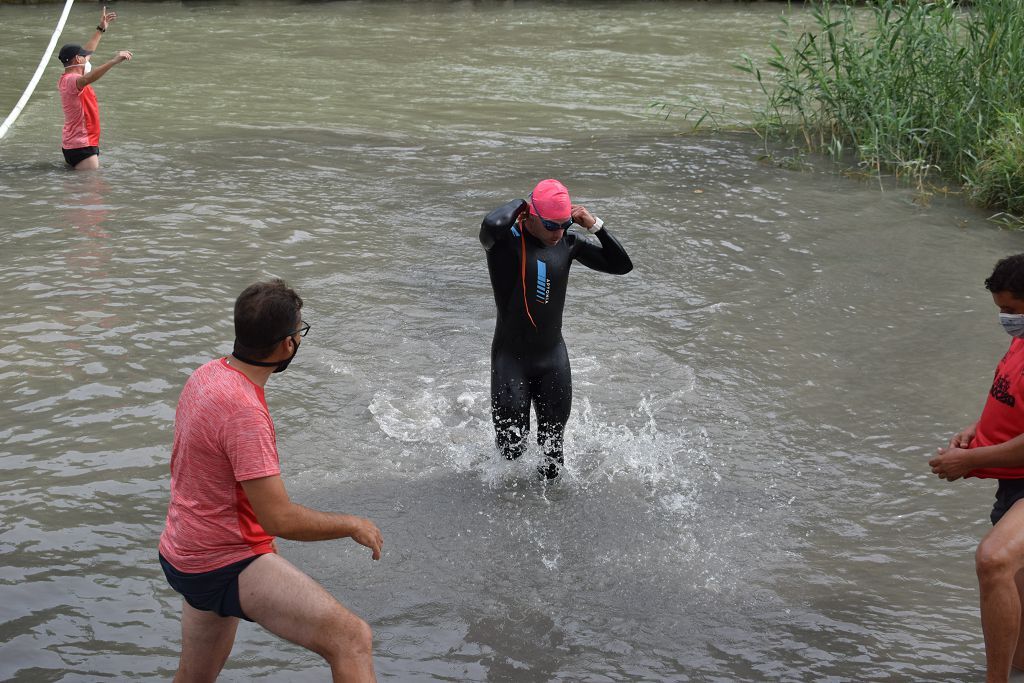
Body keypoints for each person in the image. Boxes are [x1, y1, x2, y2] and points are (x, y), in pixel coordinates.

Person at [158, 279, 383, 683]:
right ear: (287, 346)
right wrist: (353, 524)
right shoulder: (244, 412)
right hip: (225, 561)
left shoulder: (206, 375)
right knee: (351, 639)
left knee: (194, 677)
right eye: (300, 331)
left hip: (182, 550)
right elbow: (278, 517)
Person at [479, 179, 633, 479]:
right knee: (510, 453)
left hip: (552, 361)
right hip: (511, 362)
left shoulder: (568, 244)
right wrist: (522, 203)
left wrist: (595, 226)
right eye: (551, 225)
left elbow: (621, 265)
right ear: (530, 216)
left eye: (564, 224)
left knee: (553, 456)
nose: (558, 233)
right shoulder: (504, 243)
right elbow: (491, 223)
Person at [930, 253, 1024, 683]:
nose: (1005, 320)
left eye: (1010, 311)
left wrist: (969, 461)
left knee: (994, 560)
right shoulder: (1022, 339)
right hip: (1013, 482)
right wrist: (978, 429)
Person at [56, 6, 132, 170]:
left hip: (73, 145)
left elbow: (89, 50)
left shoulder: (65, 77)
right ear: (77, 59)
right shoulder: (73, 80)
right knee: (91, 190)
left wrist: (101, 29)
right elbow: (89, 78)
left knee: (77, 189)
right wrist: (114, 61)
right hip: (83, 146)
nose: (87, 57)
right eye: (83, 56)